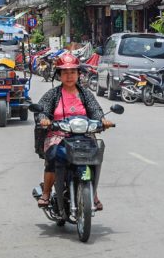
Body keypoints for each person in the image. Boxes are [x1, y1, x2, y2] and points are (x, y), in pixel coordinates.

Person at [34, 53, 114, 211]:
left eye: (72, 72)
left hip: (83, 135)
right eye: (65, 72)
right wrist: (44, 119)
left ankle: (93, 192)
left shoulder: (85, 94)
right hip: (58, 135)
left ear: (78, 74)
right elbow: (41, 110)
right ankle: (46, 192)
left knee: (94, 157)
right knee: (52, 156)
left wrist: (102, 120)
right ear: (59, 75)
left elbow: (96, 111)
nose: (69, 76)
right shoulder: (53, 94)